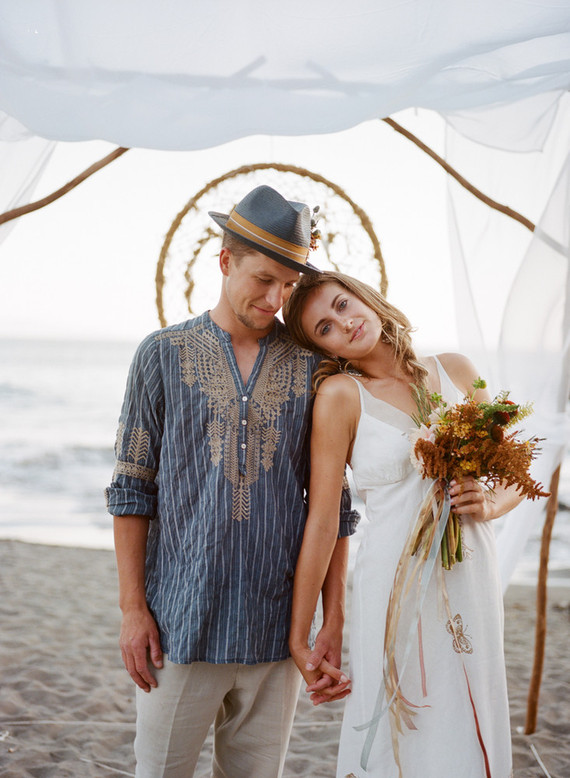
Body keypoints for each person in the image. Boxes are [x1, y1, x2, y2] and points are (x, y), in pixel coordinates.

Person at [105, 186, 358, 778]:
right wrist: (132, 610)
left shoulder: (313, 368)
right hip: (181, 628)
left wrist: (332, 619)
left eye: (290, 288)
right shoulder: (160, 355)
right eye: (263, 279)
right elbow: (130, 488)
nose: (275, 299)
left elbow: (335, 508)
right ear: (225, 261)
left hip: (277, 636)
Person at [282, 270, 523, 778]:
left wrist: (489, 504)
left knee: (471, 705)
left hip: (470, 574)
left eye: (343, 305)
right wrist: (302, 632)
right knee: (406, 722)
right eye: (324, 328)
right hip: (392, 583)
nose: (343, 323)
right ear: (323, 348)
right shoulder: (341, 396)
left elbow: (514, 472)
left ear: (366, 299)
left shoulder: (458, 370)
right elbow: (324, 519)